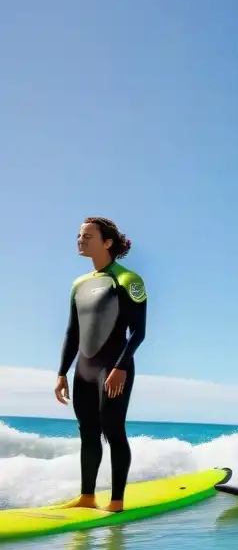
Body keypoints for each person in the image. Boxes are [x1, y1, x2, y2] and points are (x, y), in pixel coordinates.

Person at [54, 217, 147, 512]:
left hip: (113, 366)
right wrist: (61, 372)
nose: (80, 240)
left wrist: (120, 367)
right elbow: (73, 332)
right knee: (88, 433)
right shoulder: (79, 284)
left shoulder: (128, 279)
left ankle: (117, 501)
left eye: (88, 236)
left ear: (107, 242)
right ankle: (87, 497)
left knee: (113, 430)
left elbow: (139, 332)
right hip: (84, 368)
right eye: (79, 235)